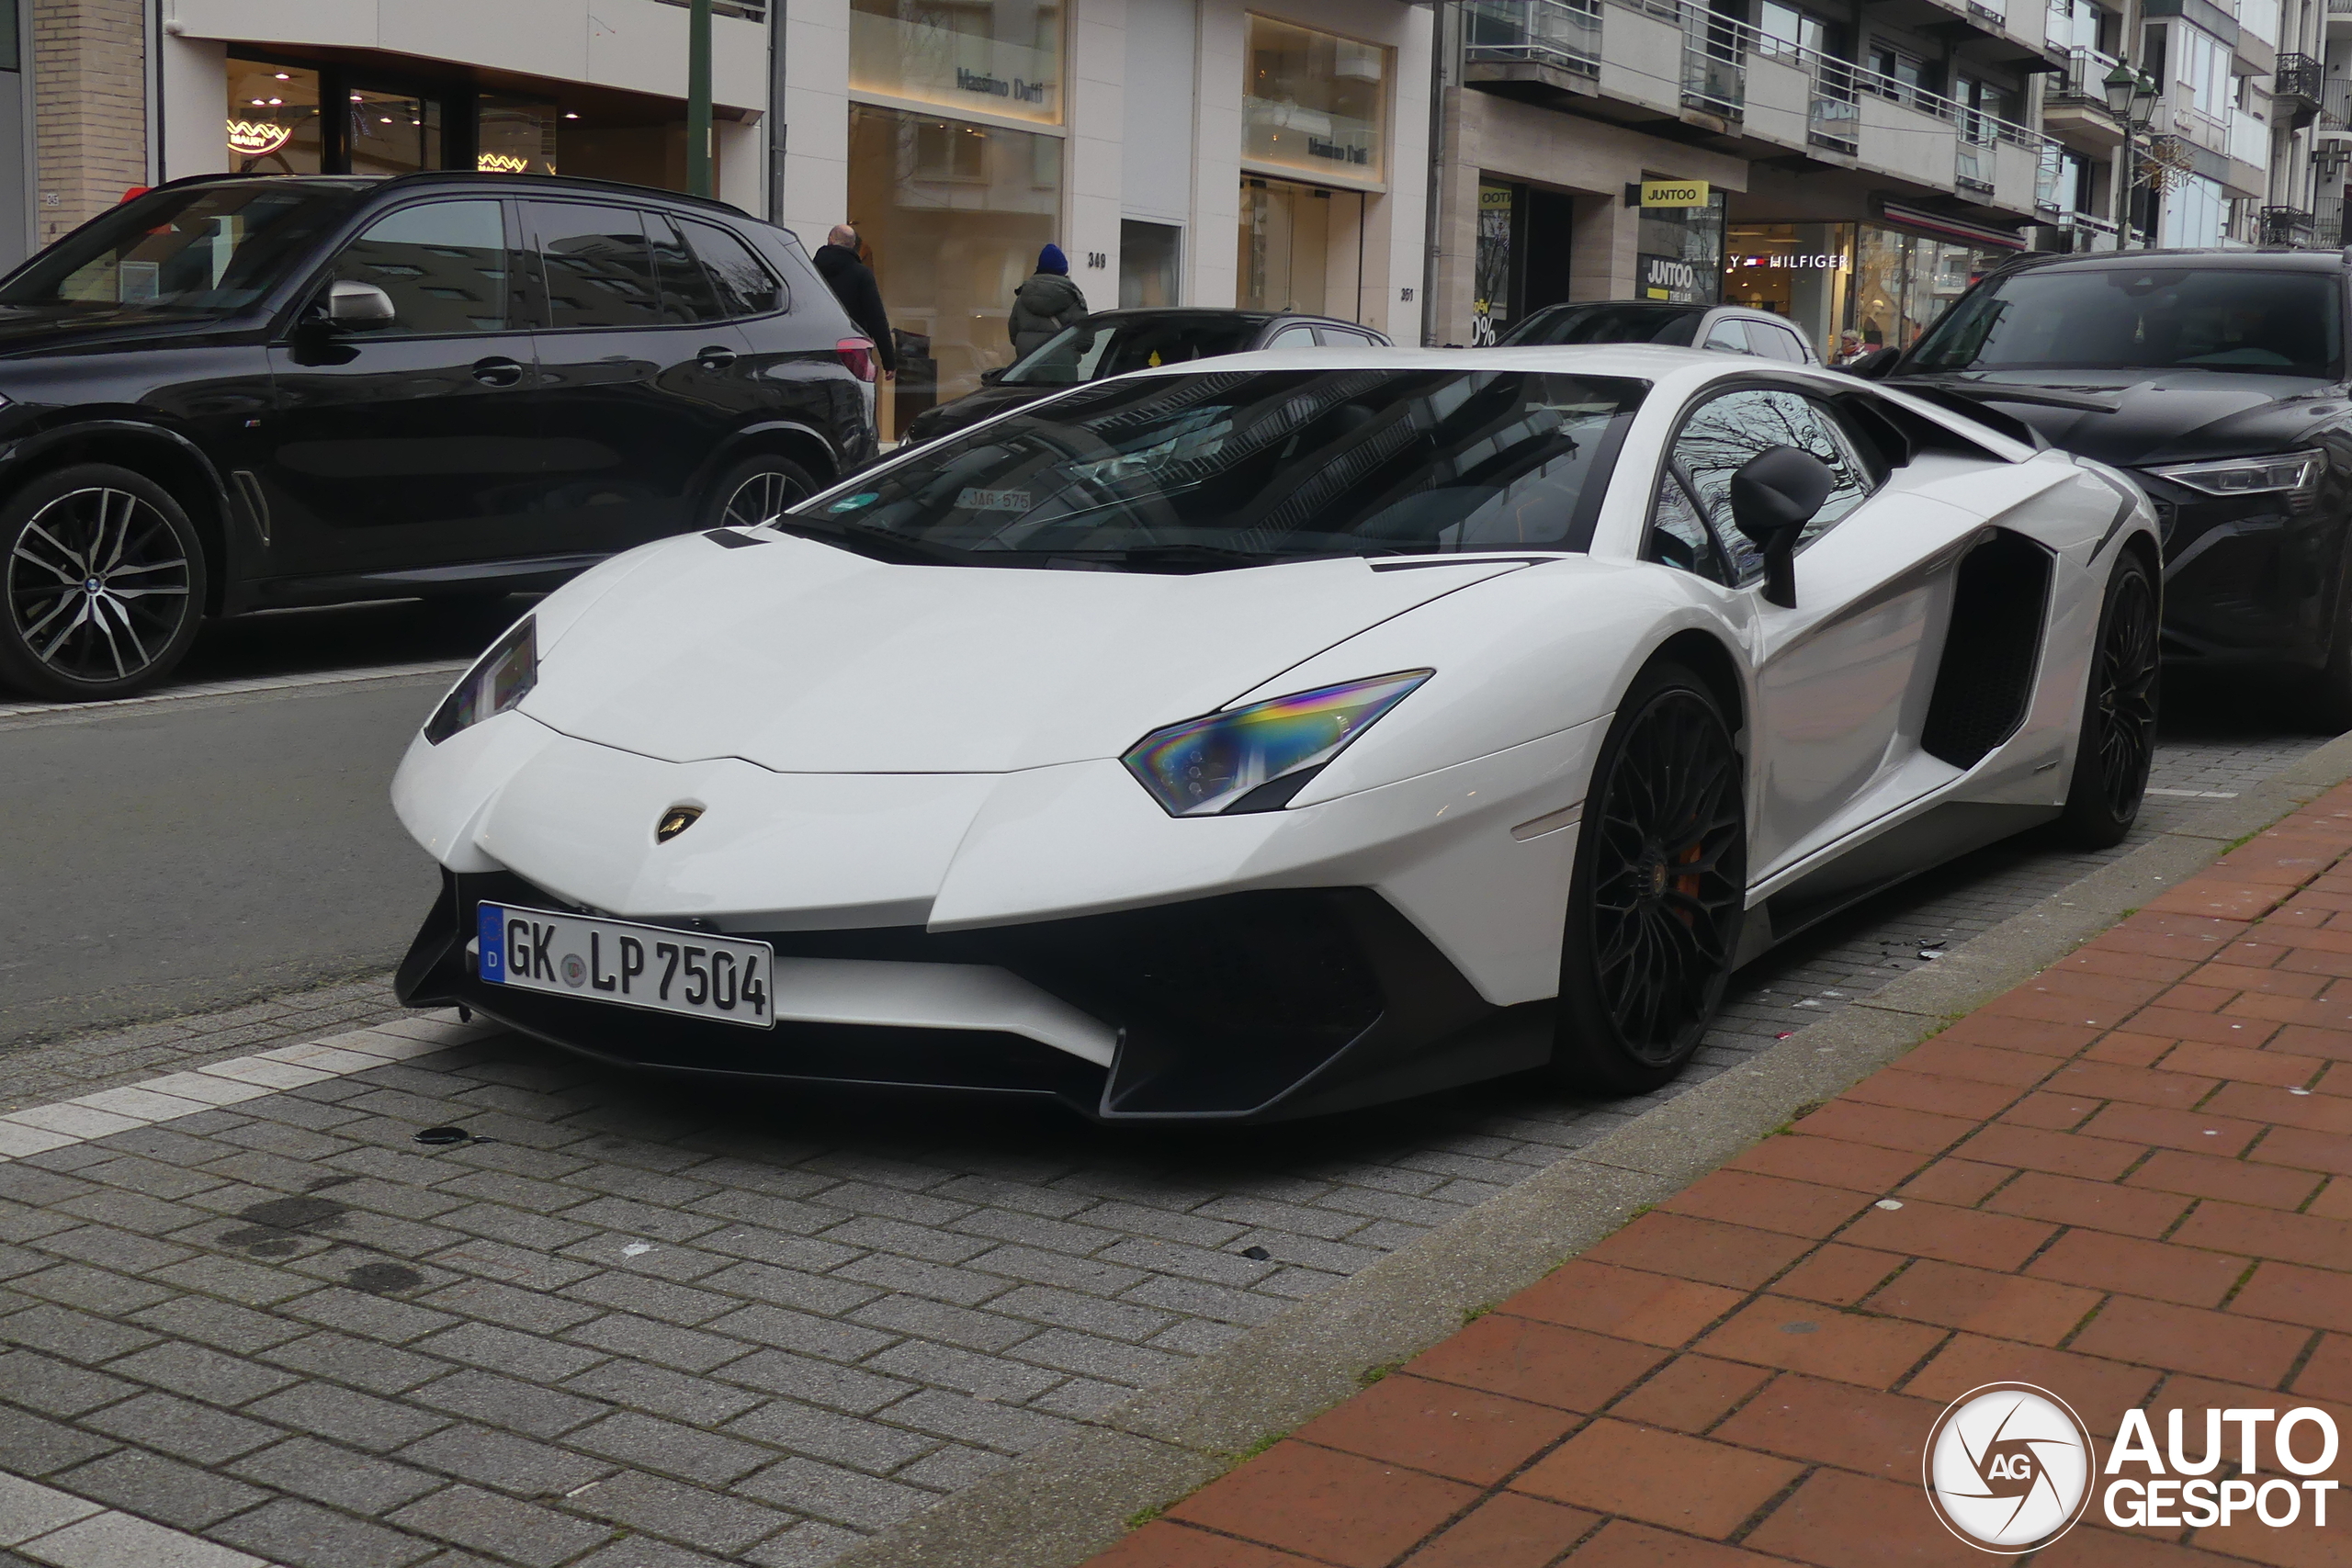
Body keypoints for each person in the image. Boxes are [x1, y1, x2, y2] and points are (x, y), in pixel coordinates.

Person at [811, 225, 896, 379]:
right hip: (852, 351)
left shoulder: (811, 271)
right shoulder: (862, 274)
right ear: (853, 245)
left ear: (830, 240)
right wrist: (889, 362)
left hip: (817, 347)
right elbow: (876, 318)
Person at [1010, 243, 1089, 358]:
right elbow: (1085, 342)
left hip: (1028, 365)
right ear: (1064, 270)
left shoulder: (1022, 297)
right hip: (1062, 365)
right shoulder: (1073, 298)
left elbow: (1013, 336)